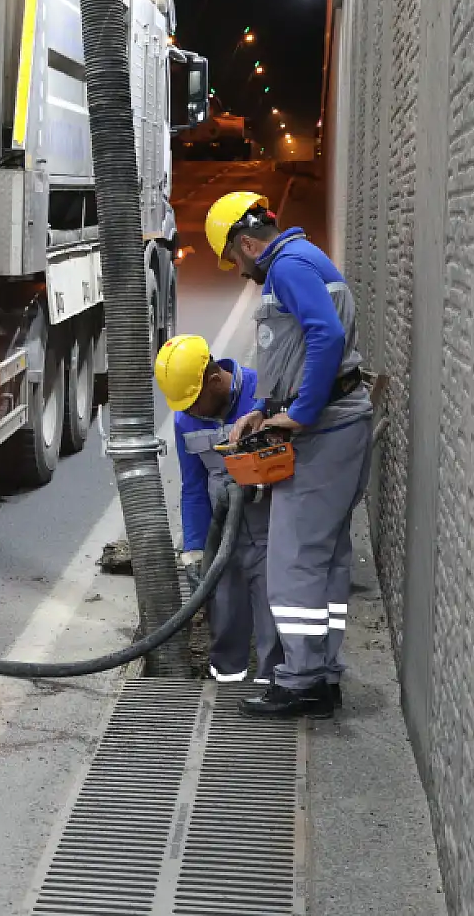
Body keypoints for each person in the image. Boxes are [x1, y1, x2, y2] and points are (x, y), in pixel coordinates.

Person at [205, 191, 373, 719]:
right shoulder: (304, 262)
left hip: (326, 431)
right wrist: (262, 407)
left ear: (249, 244)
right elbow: (291, 348)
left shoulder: (290, 268)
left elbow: (325, 334)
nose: (237, 271)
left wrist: (300, 414)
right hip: (338, 426)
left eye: (234, 259)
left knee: (294, 558)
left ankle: (301, 682)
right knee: (323, 560)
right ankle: (319, 676)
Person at [155, 335, 280, 685]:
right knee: (224, 615)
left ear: (214, 380)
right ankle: (226, 683)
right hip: (223, 534)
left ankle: (272, 688)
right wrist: (195, 549)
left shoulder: (262, 396)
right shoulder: (185, 421)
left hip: (269, 528)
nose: (190, 411)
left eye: (194, 401)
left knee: (273, 617)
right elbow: (193, 487)